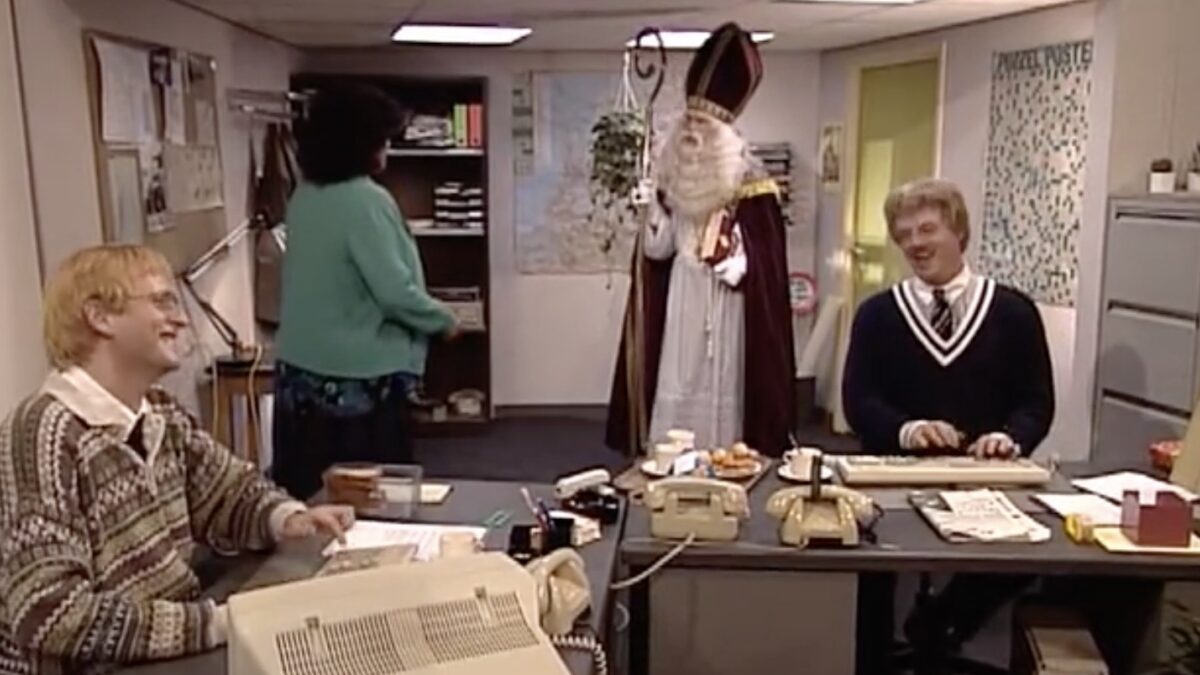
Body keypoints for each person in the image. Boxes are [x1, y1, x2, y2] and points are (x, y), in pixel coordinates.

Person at [0, 245, 354, 673]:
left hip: (162, 653)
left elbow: (228, 491)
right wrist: (212, 624)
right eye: (162, 301)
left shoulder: (159, 412)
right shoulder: (41, 433)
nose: (181, 319)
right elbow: (49, 612)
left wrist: (286, 517)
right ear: (100, 317)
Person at [842, 178, 1054, 671]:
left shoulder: (1014, 313)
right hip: (892, 476)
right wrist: (908, 429)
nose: (915, 243)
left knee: (1031, 552)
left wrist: (1010, 437)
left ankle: (943, 623)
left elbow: (1036, 402)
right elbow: (859, 401)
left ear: (958, 231)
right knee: (863, 555)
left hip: (988, 478)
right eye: (904, 234)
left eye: (927, 229)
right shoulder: (876, 315)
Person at [606, 22, 795, 456]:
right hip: (681, 302)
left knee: (719, 396)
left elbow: (762, 269)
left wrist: (736, 262)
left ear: (723, 132)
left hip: (726, 310)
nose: (692, 132)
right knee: (674, 385)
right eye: (688, 120)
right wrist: (651, 211)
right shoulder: (671, 178)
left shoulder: (752, 184)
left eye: (703, 124)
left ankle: (722, 465)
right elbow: (658, 251)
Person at [274, 83, 457, 499]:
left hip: (299, 376)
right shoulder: (367, 201)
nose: (387, 148)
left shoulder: (303, 197)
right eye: (383, 139)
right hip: (357, 380)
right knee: (372, 500)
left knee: (307, 493)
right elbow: (394, 291)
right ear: (359, 144)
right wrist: (443, 320)